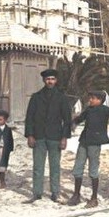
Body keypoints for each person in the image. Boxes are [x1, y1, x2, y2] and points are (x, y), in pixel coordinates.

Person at [67, 91, 109, 208]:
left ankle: (94, 198)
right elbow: (80, 118)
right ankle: (76, 195)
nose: (90, 100)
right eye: (90, 98)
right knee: (78, 167)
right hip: (83, 141)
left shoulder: (105, 110)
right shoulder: (89, 109)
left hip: (94, 144)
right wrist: (74, 123)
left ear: (100, 100)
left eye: (93, 98)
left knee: (93, 170)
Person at [24, 69, 72, 203]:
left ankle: (55, 193)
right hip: (39, 136)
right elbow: (29, 118)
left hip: (55, 137)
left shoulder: (61, 97)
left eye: (52, 79)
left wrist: (64, 138)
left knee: (55, 167)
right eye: (47, 79)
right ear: (43, 80)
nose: (50, 81)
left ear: (56, 80)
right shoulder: (36, 97)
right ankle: (37, 193)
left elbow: (67, 119)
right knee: (38, 167)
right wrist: (30, 135)